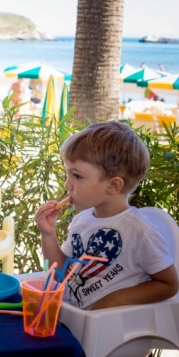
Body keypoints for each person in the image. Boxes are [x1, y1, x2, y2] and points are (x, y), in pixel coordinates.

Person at [34, 121, 177, 310]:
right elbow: (61, 273)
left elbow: (169, 284)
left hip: (112, 333)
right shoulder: (81, 221)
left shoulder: (140, 230)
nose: (67, 185)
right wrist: (48, 234)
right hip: (74, 320)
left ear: (113, 186)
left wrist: (114, 300)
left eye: (76, 176)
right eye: (67, 174)